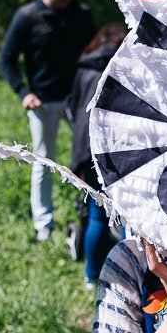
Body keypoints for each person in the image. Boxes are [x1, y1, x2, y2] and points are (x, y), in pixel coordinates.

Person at [0, 0, 97, 241]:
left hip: (77, 100)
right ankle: (44, 224)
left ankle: (94, 215)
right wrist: (23, 92)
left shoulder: (81, 14)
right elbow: (6, 60)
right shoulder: (27, 16)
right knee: (44, 162)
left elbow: (94, 53)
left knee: (90, 158)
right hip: (41, 102)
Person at [65, 22, 127, 286]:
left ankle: (92, 275)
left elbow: (71, 107)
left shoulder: (83, 68)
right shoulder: (126, 65)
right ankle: (131, 277)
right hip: (120, 149)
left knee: (97, 214)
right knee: (127, 214)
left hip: (87, 149)